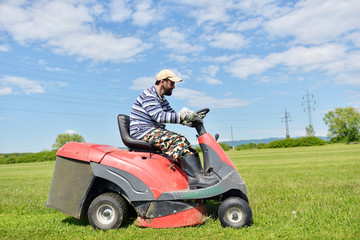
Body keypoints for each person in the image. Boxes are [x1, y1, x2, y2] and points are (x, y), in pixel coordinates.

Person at [130, 69, 218, 189]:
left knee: (183, 141)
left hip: (152, 131)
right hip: (143, 131)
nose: (174, 87)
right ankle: (196, 179)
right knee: (177, 141)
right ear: (162, 82)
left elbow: (171, 114)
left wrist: (190, 118)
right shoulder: (149, 95)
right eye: (172, 83)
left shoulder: (161, 99)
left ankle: (200, 176)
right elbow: (160, 116)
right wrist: (182, 116)